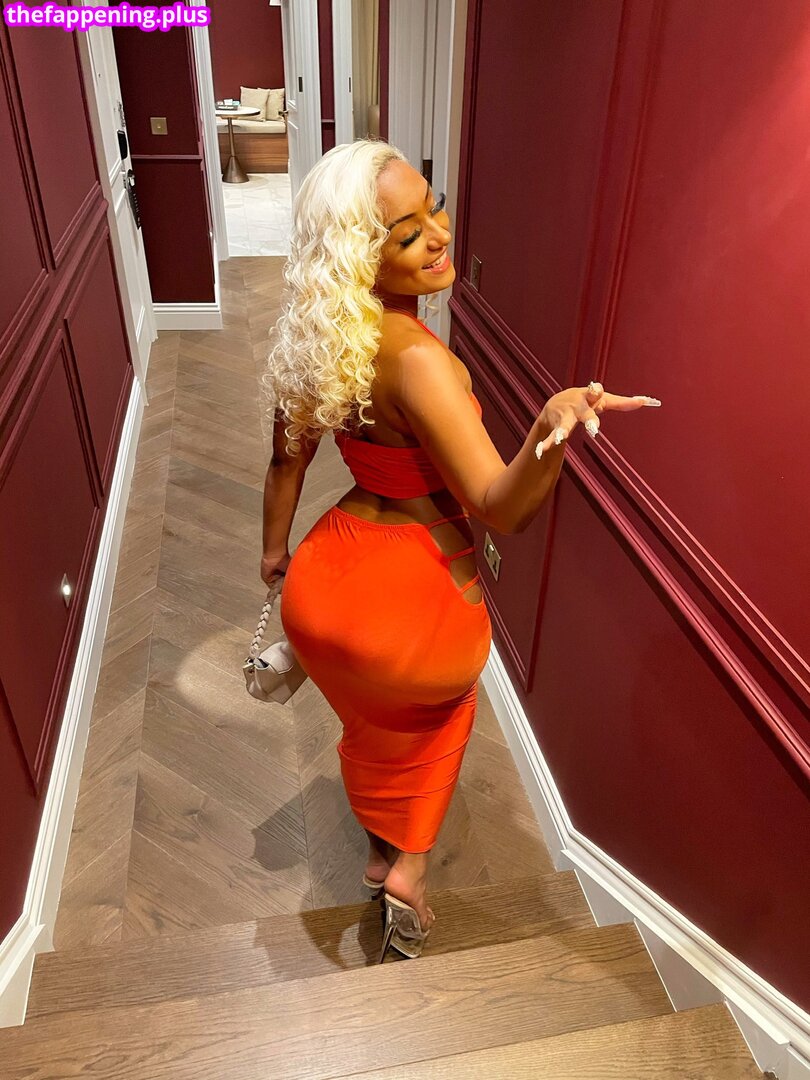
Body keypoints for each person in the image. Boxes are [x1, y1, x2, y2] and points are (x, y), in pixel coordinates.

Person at [261, 138, 660, 962]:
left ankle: (378, 845)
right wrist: (549, 424)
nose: (439, 236)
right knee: (440, 716)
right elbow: (498, 507)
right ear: (360, 257)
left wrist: (273, 556)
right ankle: (408, 868)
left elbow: (285, 463)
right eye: (407, 234)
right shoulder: (419, 362)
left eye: (433, 207)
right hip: (416, 595)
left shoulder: (321, 339)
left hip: (322, 584)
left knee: (373, 724)